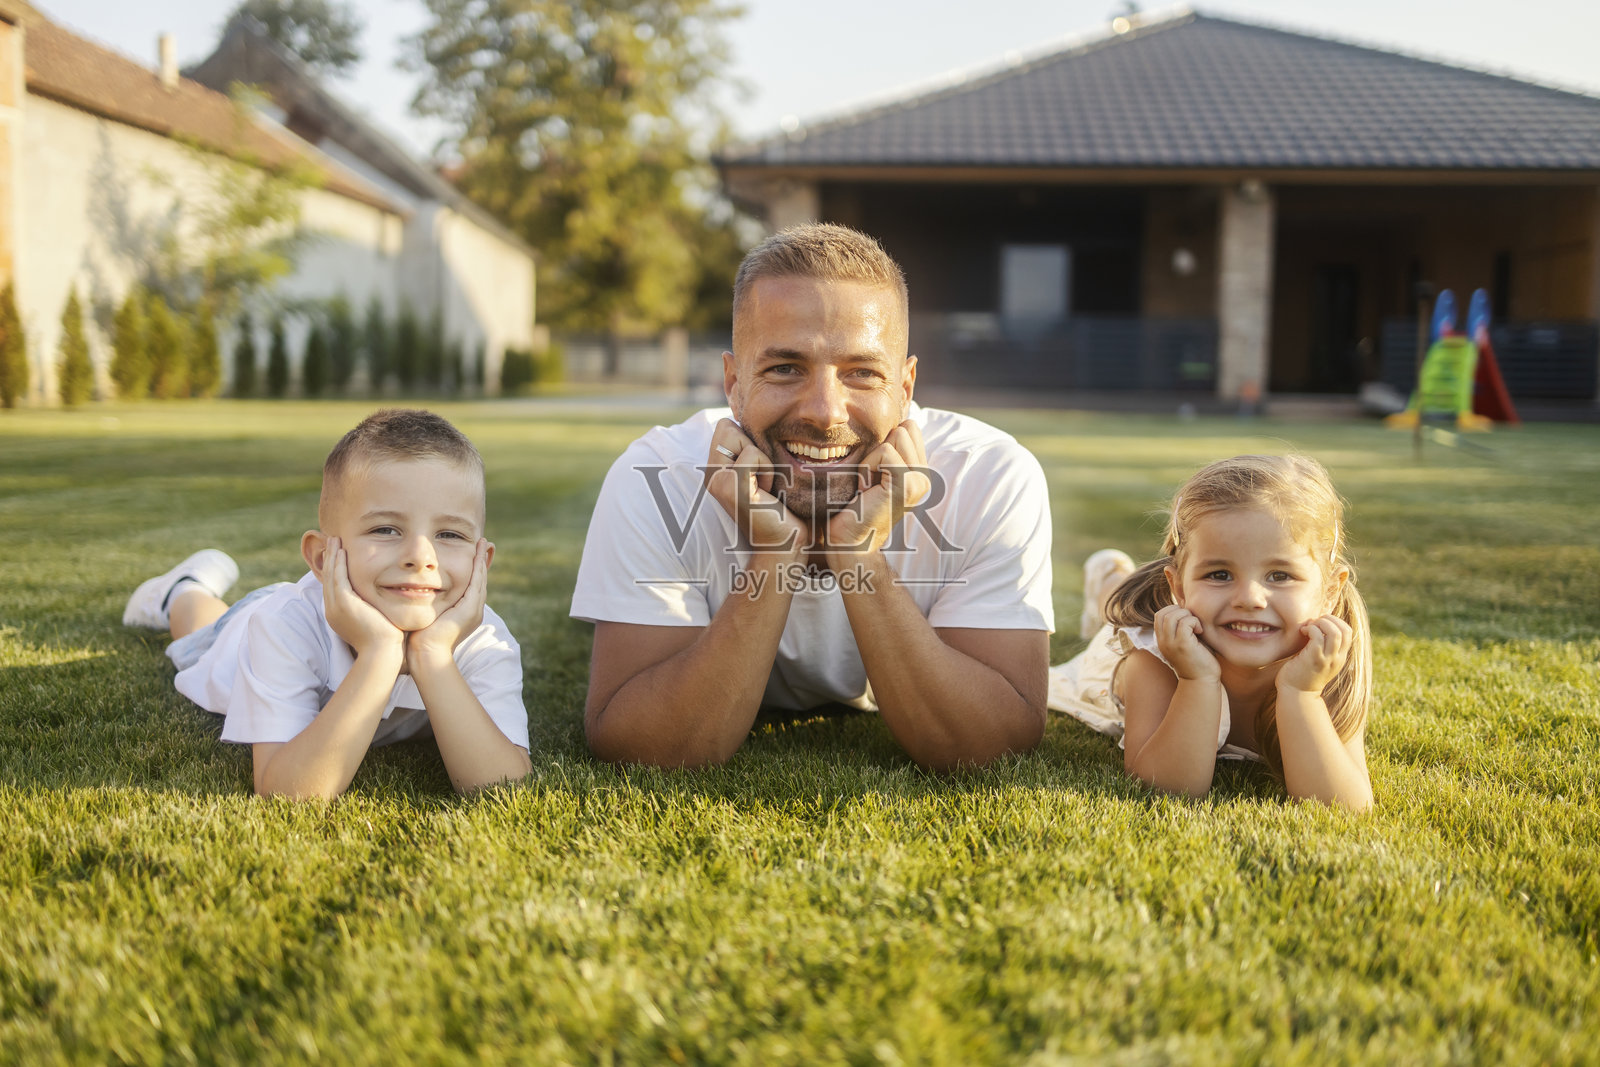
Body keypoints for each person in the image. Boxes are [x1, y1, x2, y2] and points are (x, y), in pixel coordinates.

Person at [571, 223, 1054, 769]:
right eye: (785, 368)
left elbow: (994, 744)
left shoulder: (989, 473)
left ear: (906, 386)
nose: (824, 412)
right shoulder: (655, 473)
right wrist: (777, 552)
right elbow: (640, 746)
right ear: (733, 383)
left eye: (862, 373)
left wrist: (857, 553)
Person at [122, 409, 531, 799]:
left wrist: (432, 654)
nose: (421, 557)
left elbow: (502, 787)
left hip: (328, 600)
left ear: (483, 560)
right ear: (322, 557)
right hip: (241, 632)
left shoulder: (485, 641)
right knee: (200, 630)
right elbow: (286, 792)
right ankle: (183, 587)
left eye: (451, 536)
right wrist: (379, 653)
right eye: (386, 529)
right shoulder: (282, 628)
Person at [1048, 454, 1373, 810]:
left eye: (1280, 576)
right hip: (1119, 654)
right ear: (1180, 589)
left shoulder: (1325, 663)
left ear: (1330, 592)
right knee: (1114, 611)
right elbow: (1166, 789)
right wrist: (1196, 681)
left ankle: (1116, 579)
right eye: (1219, 574)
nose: (1250, 598)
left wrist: (1301, 693)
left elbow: (1346, 807)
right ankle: (1110, 578)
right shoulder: (1151, 660)